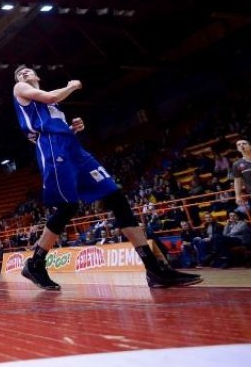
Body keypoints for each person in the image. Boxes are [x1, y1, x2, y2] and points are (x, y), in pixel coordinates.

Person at [12, 65, 202, 289]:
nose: (23, 73)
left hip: (73, 148)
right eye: (19, 73)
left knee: (116, 197)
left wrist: (72, 127)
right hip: (53, 150)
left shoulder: (52, 105)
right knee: (67, 207)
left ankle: (155, 269)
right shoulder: (22, 89)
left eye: (28, 71)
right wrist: (72, 86)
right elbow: (51, 97)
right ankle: (35, 264)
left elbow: (52, 110)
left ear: (38, 76)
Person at [230, 138, 250, 215]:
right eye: (239, 145)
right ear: (238, 149)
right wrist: (237, 196)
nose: (241, 145)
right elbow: (237, 181)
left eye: (244, 143)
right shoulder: (236, 164)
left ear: (250, 146)